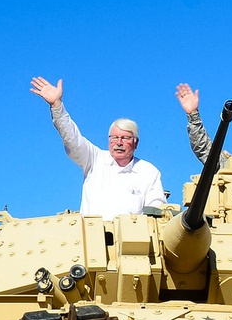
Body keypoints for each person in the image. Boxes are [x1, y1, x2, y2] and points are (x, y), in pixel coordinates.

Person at [30, 76, 166, 218]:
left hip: (134, 239)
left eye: (125, 138)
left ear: (136, 142)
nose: (119, 143)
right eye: (114, 137)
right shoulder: (94, 159)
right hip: (91, 237)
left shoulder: (149, 172)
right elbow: (72, 139)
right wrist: (57, 106)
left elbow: (157, 212)